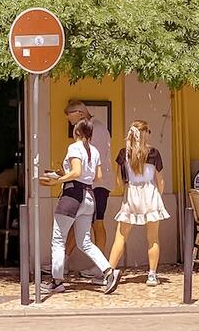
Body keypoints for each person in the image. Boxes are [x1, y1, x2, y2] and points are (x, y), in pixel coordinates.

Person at [39, 118, 120, 295]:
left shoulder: (74, 148)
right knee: (85, 241)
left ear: (76, 132)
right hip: (89, 196)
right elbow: (97, 176)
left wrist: (57, 180)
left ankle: (57, 281)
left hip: (72, 195)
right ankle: (108, 271)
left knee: (58, 239)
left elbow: (76, 172)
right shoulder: (95, 151)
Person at [107, 121, 170, 286]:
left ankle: (109, 273)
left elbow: (119, 182)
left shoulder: (124, 154)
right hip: (150, 194)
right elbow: (160, 180)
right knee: (153, 238)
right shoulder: (154, 153)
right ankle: (152, 275)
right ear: (145, 134)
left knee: (120, 237)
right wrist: (158, 195)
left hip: (132, 195)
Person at [63, 100, 113, 280]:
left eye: (69, 116)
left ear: (79, 113)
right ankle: (63, 261)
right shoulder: (95, 128)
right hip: (90, 185)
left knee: (97, 224)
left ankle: (100, 267)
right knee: (79, 224)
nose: (69, 120)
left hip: (96, 186)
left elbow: (92, 161)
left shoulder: (96, 129)